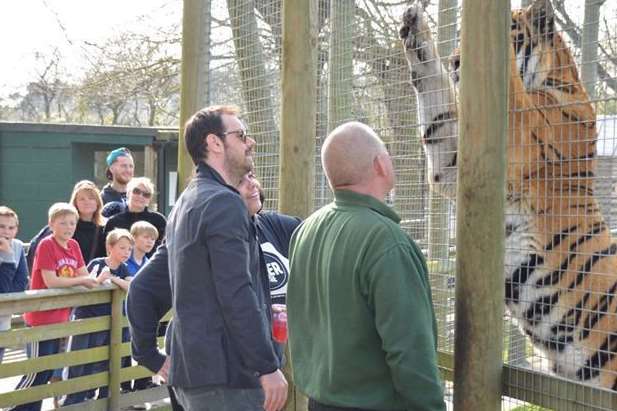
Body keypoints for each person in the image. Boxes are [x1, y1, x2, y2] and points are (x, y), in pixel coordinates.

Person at [130, 105, 287, 411]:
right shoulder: (224, 203)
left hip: (192, 379)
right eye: (241, 135)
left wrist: (149, 355)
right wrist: (266, 366)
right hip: (228, 381)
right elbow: (236, 292)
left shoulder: (186, 203)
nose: (250, 142)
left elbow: (143, 288)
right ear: (215, 143)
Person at [287, 121, 446, 411]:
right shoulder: (386, 241)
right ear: (380, 164)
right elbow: (409, 349)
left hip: (319, 400)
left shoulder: (305, 231)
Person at [10, 203, 99, 411]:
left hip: (62, 317)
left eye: (72, 223)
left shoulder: (74, 245)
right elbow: (51, 281)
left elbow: (83, 274)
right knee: (36, 371)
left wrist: (97, 279)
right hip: (41, 317)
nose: (68, 227)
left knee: (50, 370)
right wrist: (81, 281)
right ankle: (13, 408)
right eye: (63, 223)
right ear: (51, 224)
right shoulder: (46, 245)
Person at [63, 228, 134, 405]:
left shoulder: (124, 267)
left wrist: (114, 279)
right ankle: (72, 400)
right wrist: (103, 278)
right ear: (110, 247)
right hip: (87, 318)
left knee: (103, 360)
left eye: (129, 249)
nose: (126, 252)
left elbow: (130, 286)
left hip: (109, 321)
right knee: (80, 360)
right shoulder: (97, 263)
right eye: (122, 248)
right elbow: (89, 284)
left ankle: (101, 399)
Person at [26, 180, 106, 272]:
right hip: (63, 277)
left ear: (98, 202)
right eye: (82, 199)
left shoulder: (105, 228)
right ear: (75, 203)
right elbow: (35, 250)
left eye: (91, 198)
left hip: (90, 279)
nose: (87, 202)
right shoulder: (60, 227)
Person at [104, 177, 166, 258]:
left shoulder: (159, 220)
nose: (141, 196)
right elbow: (106, 251)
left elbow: (164, 249)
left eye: (146, 194)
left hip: (150, 267)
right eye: (136, 191)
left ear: (149, 199)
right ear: (128, 193)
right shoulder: (114, 222)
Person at [0, 206, 29, 362]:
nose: (6, 232)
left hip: (3, 321)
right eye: (1, 226)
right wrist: (8, 258)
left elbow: (20, 284)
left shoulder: (17, 246)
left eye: (11, 227)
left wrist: (9, 254)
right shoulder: (11, 251)